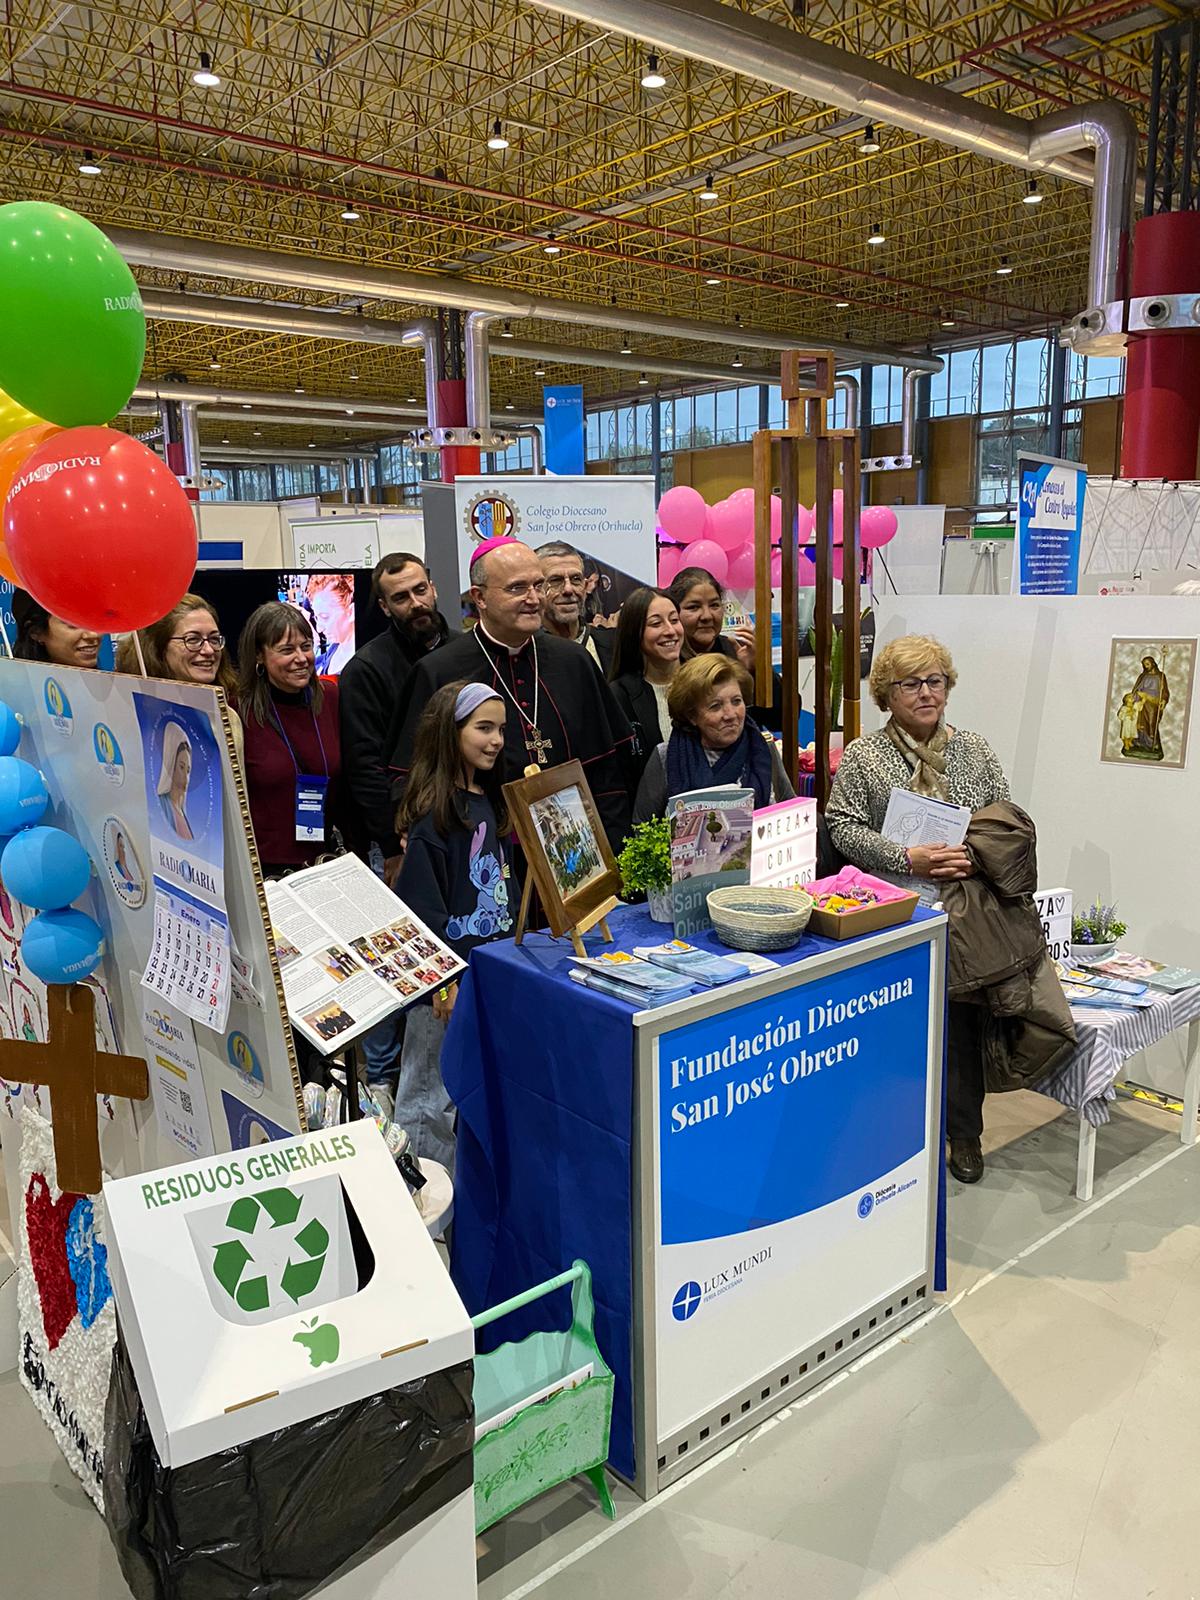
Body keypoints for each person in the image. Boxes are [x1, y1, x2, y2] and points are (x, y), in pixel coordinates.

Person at [825, 634, 1013, 1186]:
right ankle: (887, 1135)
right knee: (891, 1025)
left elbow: (1004, 821)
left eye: (935, 681)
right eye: (911, 684)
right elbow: (841, 825)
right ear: (887, 693)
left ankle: (964, 1135)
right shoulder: (866, 755)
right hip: (894, 911)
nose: (926, 693)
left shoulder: (974, 750)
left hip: (964, 907)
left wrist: (969, 858)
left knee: (961, 1026)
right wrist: (904, 855)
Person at [389, 539, 634, 852]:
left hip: (577, 852)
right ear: (480, 597)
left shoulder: (574, 661)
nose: (534, 599)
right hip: (484, 854)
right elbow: (411, 779)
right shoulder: (437, 672)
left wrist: (615, 855)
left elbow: (608, 772)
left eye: (538, 585)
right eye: (517, 588)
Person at [394, 681, 514, 1172]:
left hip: (486, 975)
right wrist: (444, 983)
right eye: (483, 728)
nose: (496, 740)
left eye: (501, 729)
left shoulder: (492, 801)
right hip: (444, 989)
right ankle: (423, 1206)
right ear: (451, 732)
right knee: (429, 1097)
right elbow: (421, 913)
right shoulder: (432, 821)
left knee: (465, 1090)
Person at [339, 552, 450, 870]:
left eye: (420, 590)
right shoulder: (365, 671)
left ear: (433, 589)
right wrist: (393, 846)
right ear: (385, 607)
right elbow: (365, 769)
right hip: (404, 834)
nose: (415, 603)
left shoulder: (465, 652)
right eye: (400, 597)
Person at [237, 602, 345, 877]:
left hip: (323, 862)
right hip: (264, 871)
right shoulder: (238, 712)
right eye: (287, 650)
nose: (301, 658)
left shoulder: (330, 699)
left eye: (306, 646)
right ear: (259, 656)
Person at [633, 653, 793, 824]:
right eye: (715, 706)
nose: (730, 715)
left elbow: (790, 807)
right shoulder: (665, 756)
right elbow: (640, 828)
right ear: (692, 716)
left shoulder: (763, 747)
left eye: (736, 701)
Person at [116, 594, 244, 766]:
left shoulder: (227, 718)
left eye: (214, 639)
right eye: (192, 639)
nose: (208, 650)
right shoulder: (129, 715)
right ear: (158, 648)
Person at [667, 566, 784, 732]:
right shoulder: (667, 660)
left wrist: (758, 669)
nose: (707, 616)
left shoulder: (738, 652)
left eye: (714, 605)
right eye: (694, 607)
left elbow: (780, 720)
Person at [608, 586, 684, 779]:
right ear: (635, 633)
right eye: (656, 624)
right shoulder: (618, 696)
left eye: (674, 620)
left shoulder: (704, 679)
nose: (670, 630)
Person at [536, 541, 616, 674]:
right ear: (536, 589)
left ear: (585, 587)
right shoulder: (523, 651)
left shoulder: (613, 646)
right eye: (555, 580)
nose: (568, 589)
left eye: (575, 579)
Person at [11, 590, 101, 668]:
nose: (93, 634)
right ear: (36, 632)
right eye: (73, 623)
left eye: (95, 620)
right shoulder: (13, 686)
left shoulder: (105, 685)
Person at [305, 574, 357, 675]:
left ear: (351, 612)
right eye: (316, 617)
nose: (319, 628)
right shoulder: (335, 647)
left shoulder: (359, 666)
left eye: (325, 617)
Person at [156, 720, 195, 841]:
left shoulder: (182, 813)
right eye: (181, 767)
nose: (185, 777)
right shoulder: (162, 805)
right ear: (172, 765)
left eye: (188, 771)